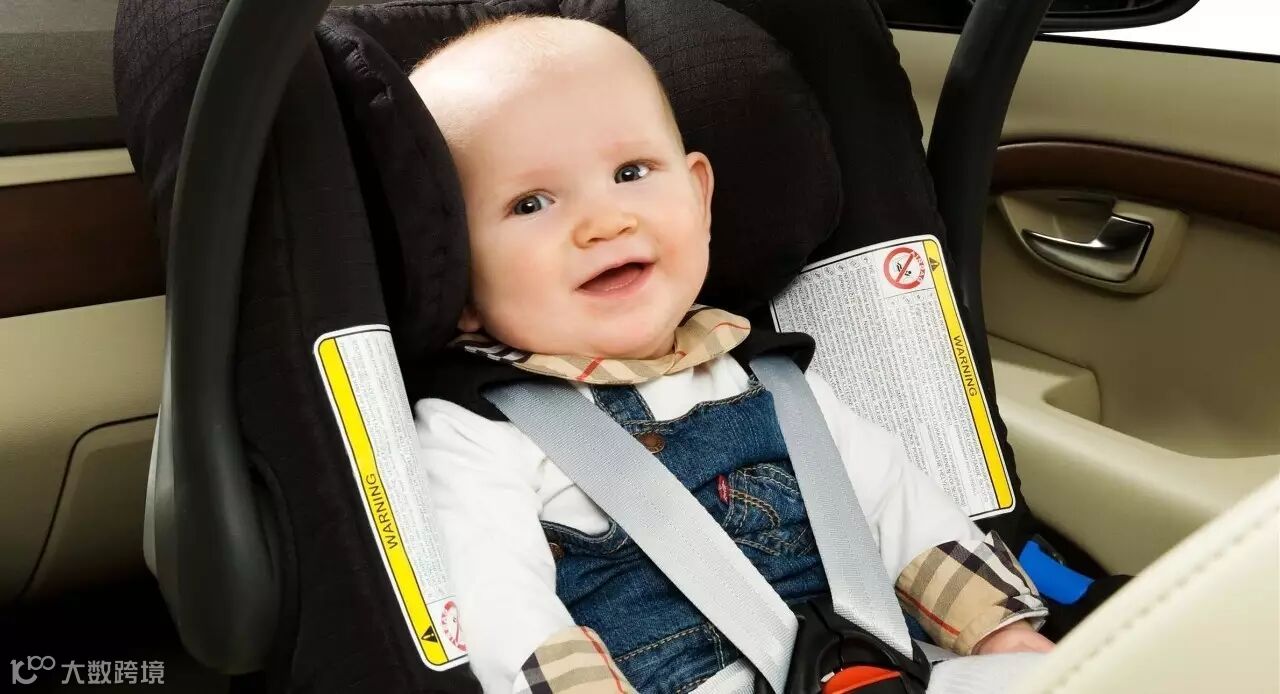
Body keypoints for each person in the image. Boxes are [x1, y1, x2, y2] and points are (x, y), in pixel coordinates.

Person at [410, 14, 1053, 693]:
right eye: (531, 203)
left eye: (631, 172)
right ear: (457, 273)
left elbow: (894, 501)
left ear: (699, 196)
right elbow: (497, 603)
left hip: (879, 663)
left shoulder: (769, 377)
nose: (605, 222)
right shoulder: (473, 433)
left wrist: (1000, 633)